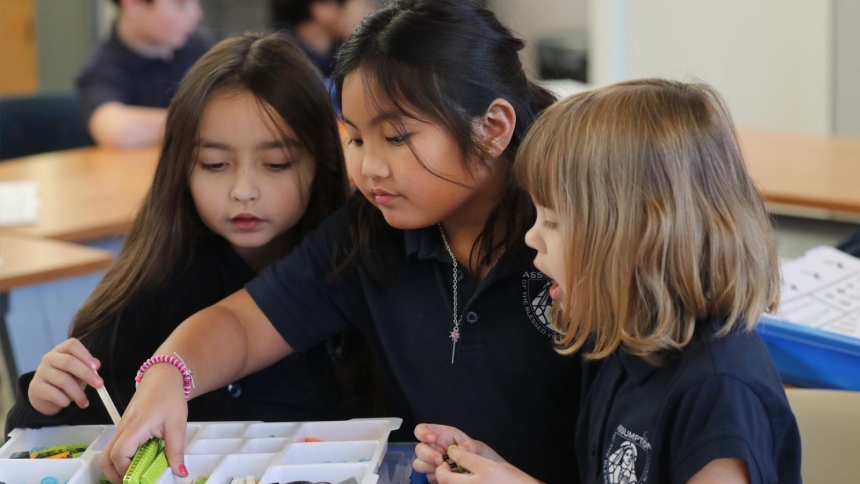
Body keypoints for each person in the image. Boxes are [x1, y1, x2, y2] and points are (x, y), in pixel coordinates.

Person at [97, 2, 582, 483]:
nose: (369, 168)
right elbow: (243, 325)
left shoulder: (580, 233)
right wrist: (169, 374)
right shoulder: (369, 230)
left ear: (492, 129)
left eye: (395, 137)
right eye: (354, 138)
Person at [416, 79, 802, 484]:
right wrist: (496, 469)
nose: (532, 238)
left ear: (635, 240)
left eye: (553, 221)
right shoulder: (621, 344)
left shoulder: (719, 392)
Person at [6, 32, 350, 440]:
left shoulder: (354, 261)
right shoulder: (153, 286)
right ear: (181, 168)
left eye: (276, 164)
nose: (243, 190)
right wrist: (44, 401)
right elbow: (40, 442)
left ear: (323, 160)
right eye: (215, 164)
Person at [77, 0, 211, 148]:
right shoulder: (102, 69)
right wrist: (202, 121)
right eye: (180, 5)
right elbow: (116, 129)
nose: (197, 14)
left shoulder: (197, 48)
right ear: (134, 4)